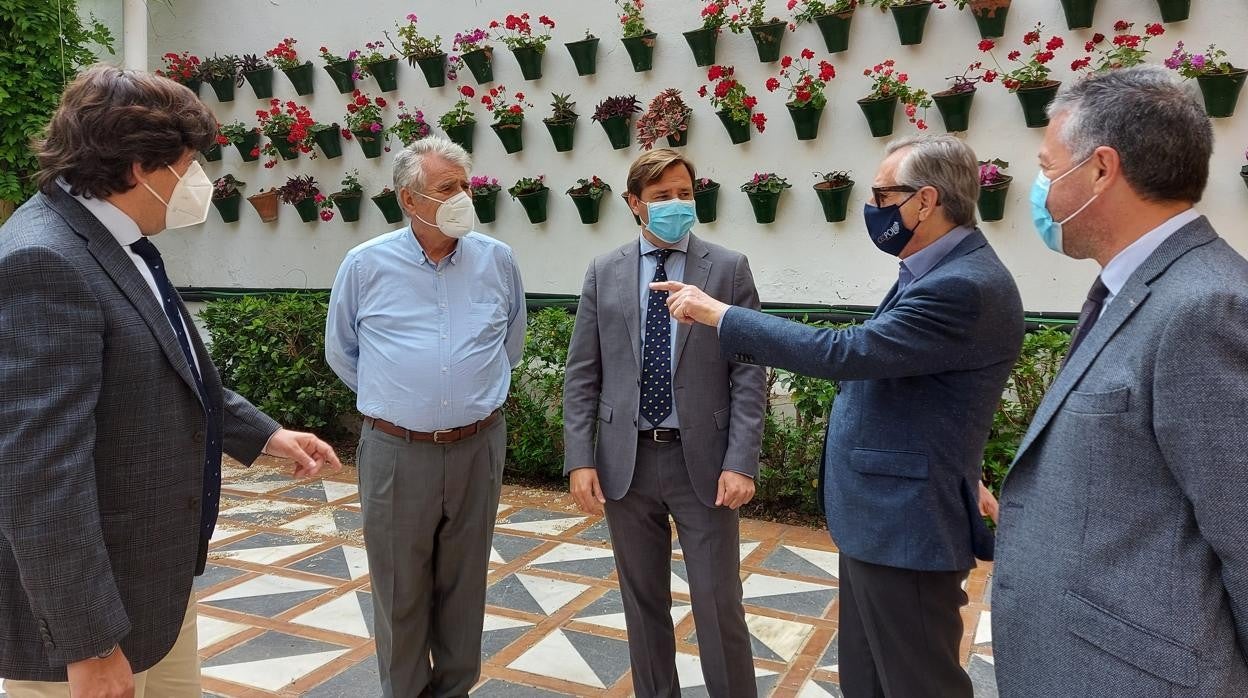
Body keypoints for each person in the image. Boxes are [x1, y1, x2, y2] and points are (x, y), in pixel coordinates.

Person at [0, 65, 341, 698]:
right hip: (89, 631)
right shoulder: (44, 260)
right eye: (187, 164)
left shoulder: (114, 240)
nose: (197, 182)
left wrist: (263, 435)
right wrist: (90, 646)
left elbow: (164, 367)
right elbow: (37, 477)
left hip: (153, 591)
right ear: (137, 167)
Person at [657, 134, 1023, 698]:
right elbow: (932, 387)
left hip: (906, 525)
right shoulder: (934, 268)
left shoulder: (962, 285)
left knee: (915, 682)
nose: (872, 209)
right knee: (868, 680)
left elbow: (847, 354)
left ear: (925, 201)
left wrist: (721, 315)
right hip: (883, 517)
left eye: (881, 195)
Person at [991, 66, 1248, 696]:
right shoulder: (1135, 287)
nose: (1043, 189)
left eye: (1050, 169)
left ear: (1102, 169)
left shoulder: (1206, 307)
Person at [325, 136, 526, 698]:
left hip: (477, 445)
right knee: (400, 591)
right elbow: (342, 352)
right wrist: (402, 405)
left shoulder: (497, 260)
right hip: (395, 452)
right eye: (447, 188)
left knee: (465, 589)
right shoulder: (365, 265)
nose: (463, 196)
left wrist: (464, 395)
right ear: (409, 200)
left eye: (466, 185)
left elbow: (508, 344)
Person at [562, 148, 766, 697]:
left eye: (684, 193)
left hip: (701, 463)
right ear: (635, 204)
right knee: (642, 603)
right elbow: (583, 372)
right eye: (661, 197)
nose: (676, 204)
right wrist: (580, 459)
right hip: (625, 463)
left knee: (718, 602)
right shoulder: (604, 271)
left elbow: (748, 373)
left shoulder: (726, 268)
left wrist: (741, 460)